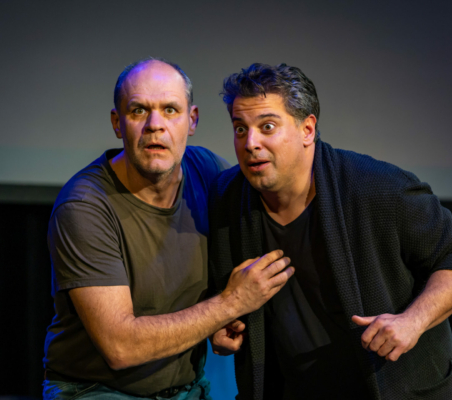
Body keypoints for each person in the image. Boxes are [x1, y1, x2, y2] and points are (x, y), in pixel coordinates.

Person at [208, 63, 452, 400]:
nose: (250, 143)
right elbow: (224, 294)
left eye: (267, 126)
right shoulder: (227, 196)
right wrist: (222, 322)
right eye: (240, 129)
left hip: (398, 389)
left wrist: (413, 320)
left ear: (307, 129)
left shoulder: (376, 187)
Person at [42, 58, 295, 400]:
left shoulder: (206, 171)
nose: (155, 125)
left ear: (192, 120)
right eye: (138, 111)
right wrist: (228, 305)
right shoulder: (84, 206)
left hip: (184, 390)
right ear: (117, 123)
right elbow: (120, 347)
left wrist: (222, 321)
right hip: (96, 390)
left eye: (170, 110)